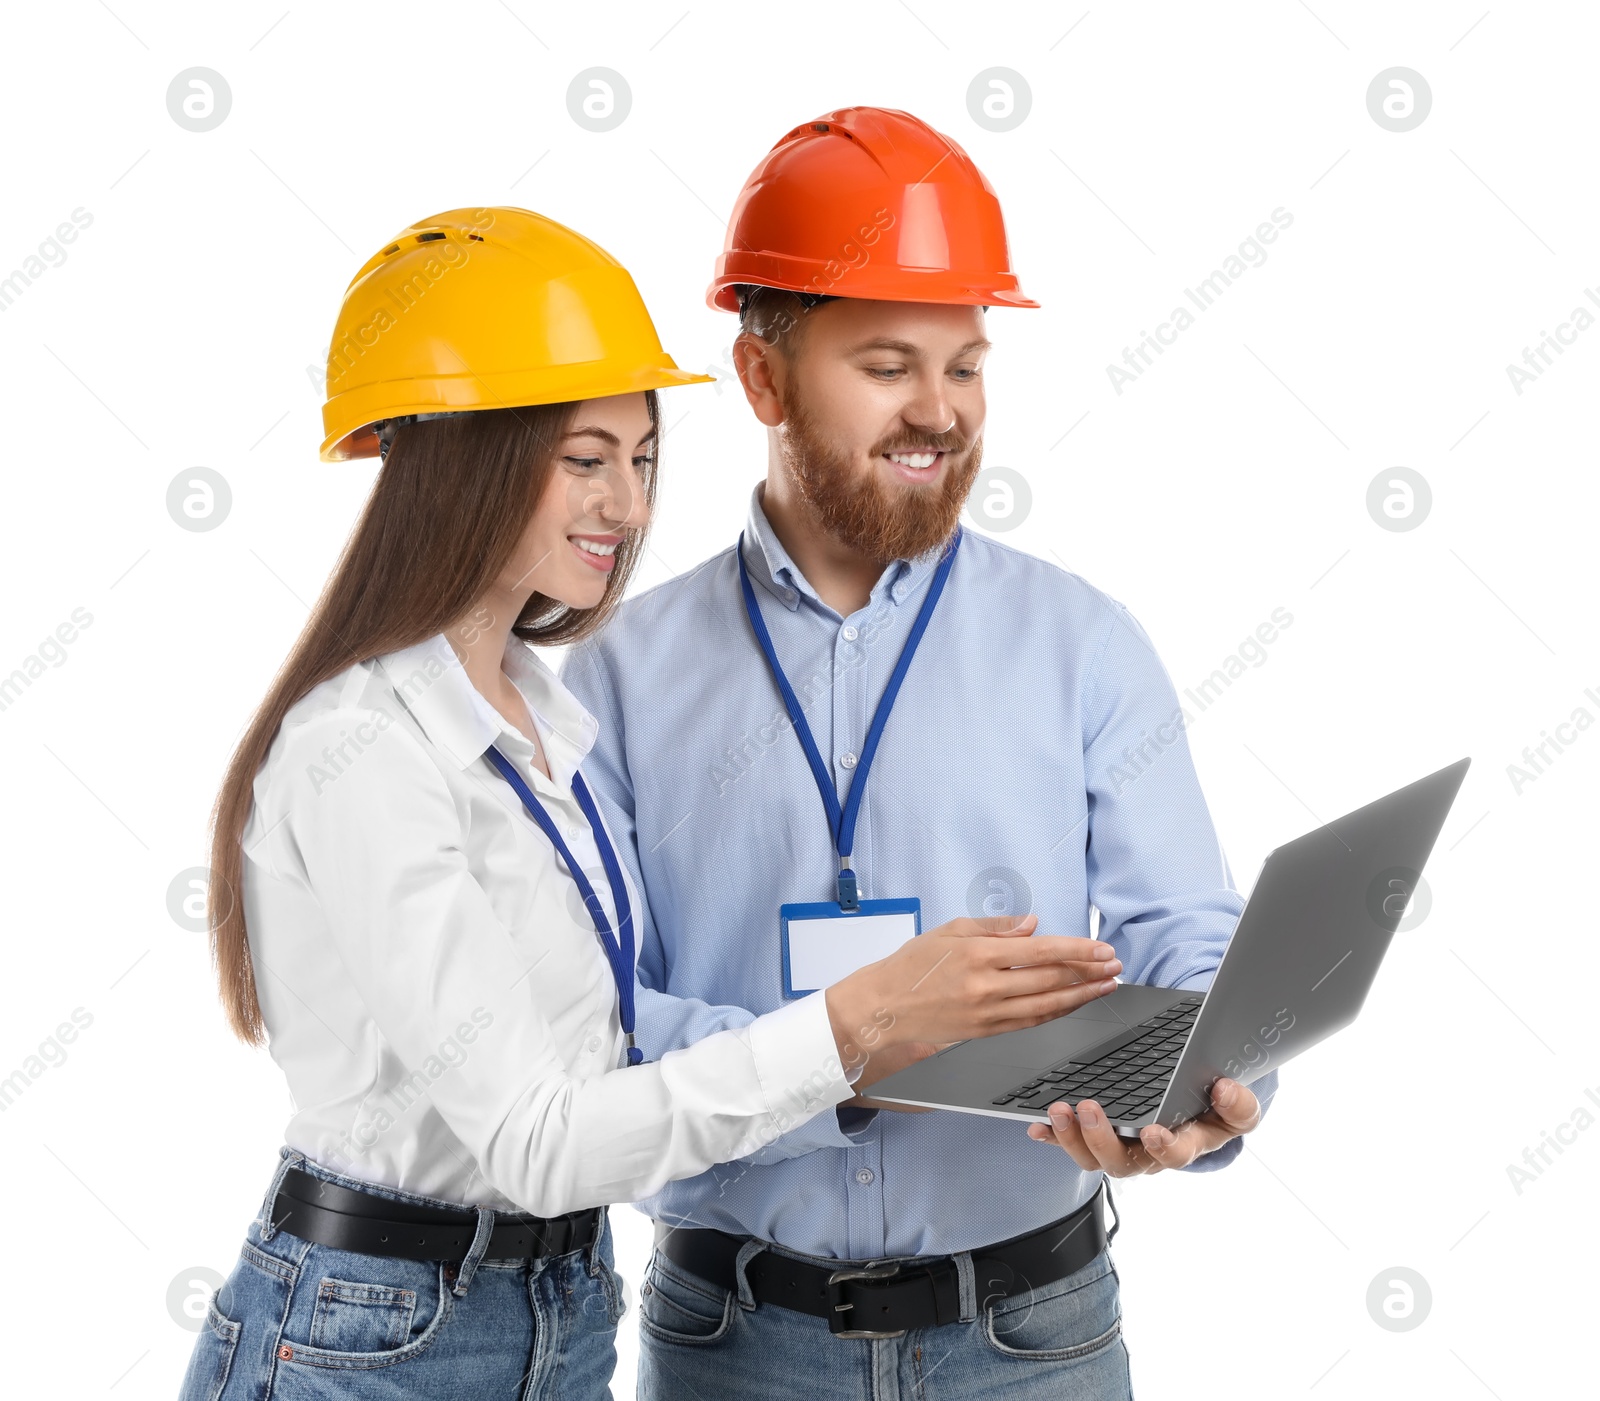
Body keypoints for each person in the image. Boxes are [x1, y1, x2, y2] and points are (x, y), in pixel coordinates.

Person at [176, 205, 1127, 1401]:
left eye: (641, 459)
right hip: (377, 1331)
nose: (625, 509)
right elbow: (536, 1138)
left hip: (562, 1309)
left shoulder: (541, 720)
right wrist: (853, 1028)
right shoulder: (363, 749)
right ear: (463, 457)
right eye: (584, 460)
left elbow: (609, 1043)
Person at [561, 108, 1278, 1398]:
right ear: (764, 381)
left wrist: (1205, 1083)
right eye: (888, 365)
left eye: (965, 365)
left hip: (1032, 1342)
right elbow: (591, 1031)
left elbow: (1186, 933)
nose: (938, 413)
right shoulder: (617, 677)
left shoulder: (1082, 644)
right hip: (732, 1348)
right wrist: (852, 1047)